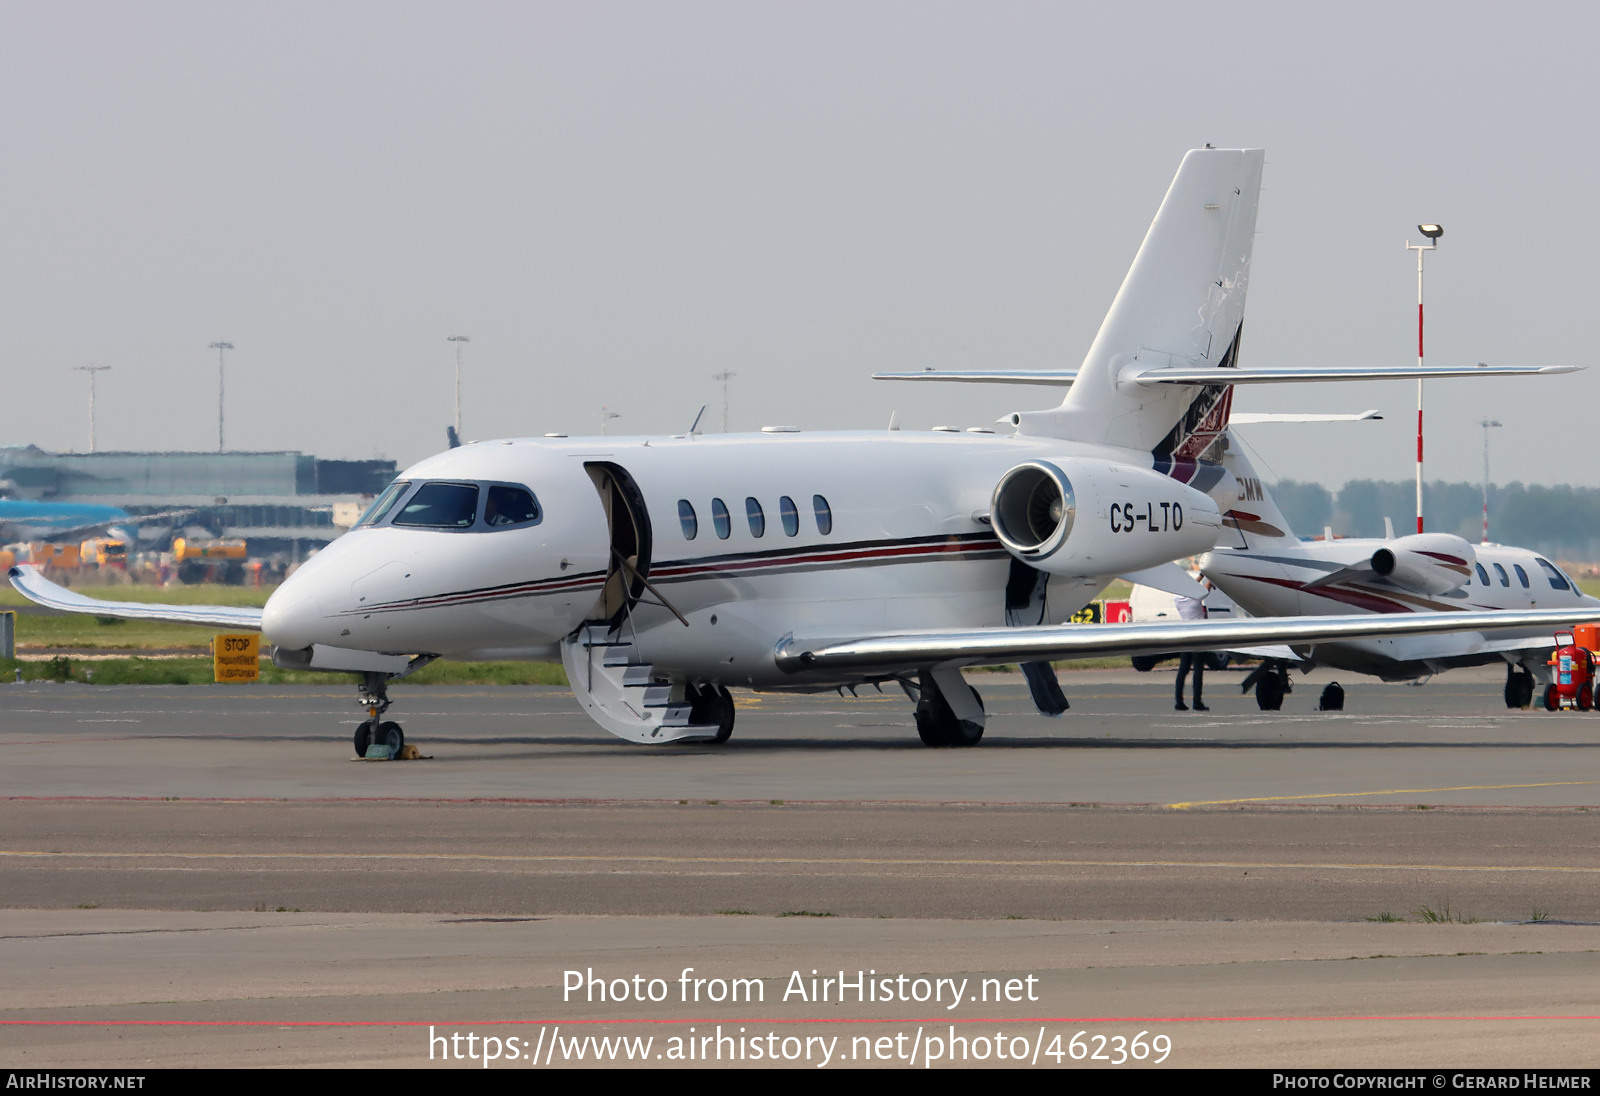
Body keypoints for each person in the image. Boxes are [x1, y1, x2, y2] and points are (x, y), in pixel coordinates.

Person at [1174, 582, 1209, 711]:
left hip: (1184, 636)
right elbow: (1206, 588)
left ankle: (1179, 701)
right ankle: (1197, 702)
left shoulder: (1178, 598)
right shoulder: (1195, 598)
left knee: (1183, 670)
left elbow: (1193, 586)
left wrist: (1200, 575)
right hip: (1198, 636)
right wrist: (1208, 575)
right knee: (1198, 670)